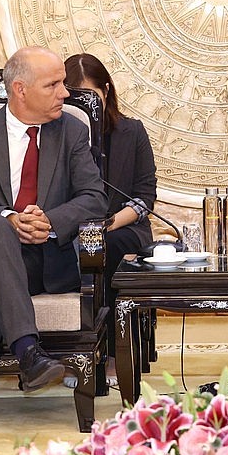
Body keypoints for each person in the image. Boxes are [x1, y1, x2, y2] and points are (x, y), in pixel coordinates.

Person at [0, 46, 108, 455]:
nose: (65, 92)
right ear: (20, 89)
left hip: (35, 260)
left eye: (63, 82)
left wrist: (51, 222)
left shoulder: (71, 132)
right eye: (54, 84)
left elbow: (93, 198)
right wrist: (9, 217)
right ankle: (28, 348)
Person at [63, 53, 157, 387]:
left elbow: (145, 196)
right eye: (74, 98)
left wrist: (108, 223)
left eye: (90, 97)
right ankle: (73, 352)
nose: (84, 106)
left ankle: (116, 354)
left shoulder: (131, 132)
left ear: (106, 91)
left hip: (123, 227)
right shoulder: (56, 135)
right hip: (69, 230)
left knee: (109, 248)